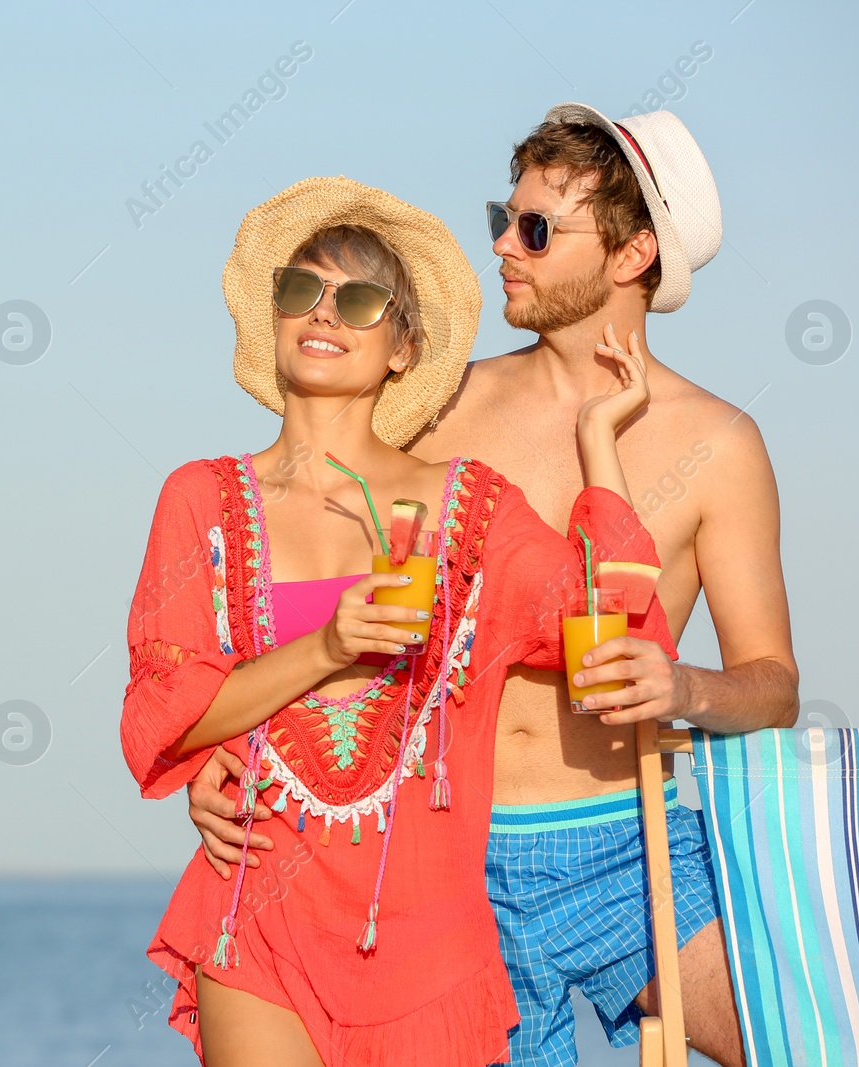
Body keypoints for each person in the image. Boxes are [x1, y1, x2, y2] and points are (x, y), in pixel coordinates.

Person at [183, 107, 799, 1066]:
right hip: (442, 856)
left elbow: (775, 683)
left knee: (801, 1038)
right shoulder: (435, 411)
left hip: (622, 847)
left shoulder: (718, 445)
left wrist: (687, 690)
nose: (505, 247)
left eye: (539, 230)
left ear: (635, 254)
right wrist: (230, 750)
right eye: (503, 219)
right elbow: (319, 592)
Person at [120, 175, 677, 1067]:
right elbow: (168, 709)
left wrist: (598, 439)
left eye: (361, 298)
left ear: (404, 347)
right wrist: (328, 645)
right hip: (255, 908)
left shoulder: (470, 513)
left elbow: (606, 618)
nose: (325, 312)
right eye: (302, 289)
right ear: (274, 317)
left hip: (427, 935)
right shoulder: (204, 503)